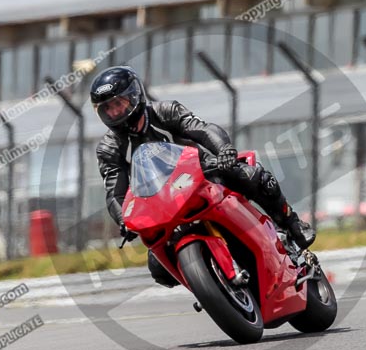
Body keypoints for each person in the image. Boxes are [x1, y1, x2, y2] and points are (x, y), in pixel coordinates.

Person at [91, 65, 315, 287]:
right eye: (107, 108)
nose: (114, 112)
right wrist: (124, 220)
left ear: (134, 96)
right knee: (159, 268)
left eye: (118, 103)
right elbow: (114, 192)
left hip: (202, 174)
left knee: (252, 176)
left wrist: (224, 150)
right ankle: (209, 287)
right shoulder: (109, 148)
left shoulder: (165, 111)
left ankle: (292, 224)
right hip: (160, 202)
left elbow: (202, 129)